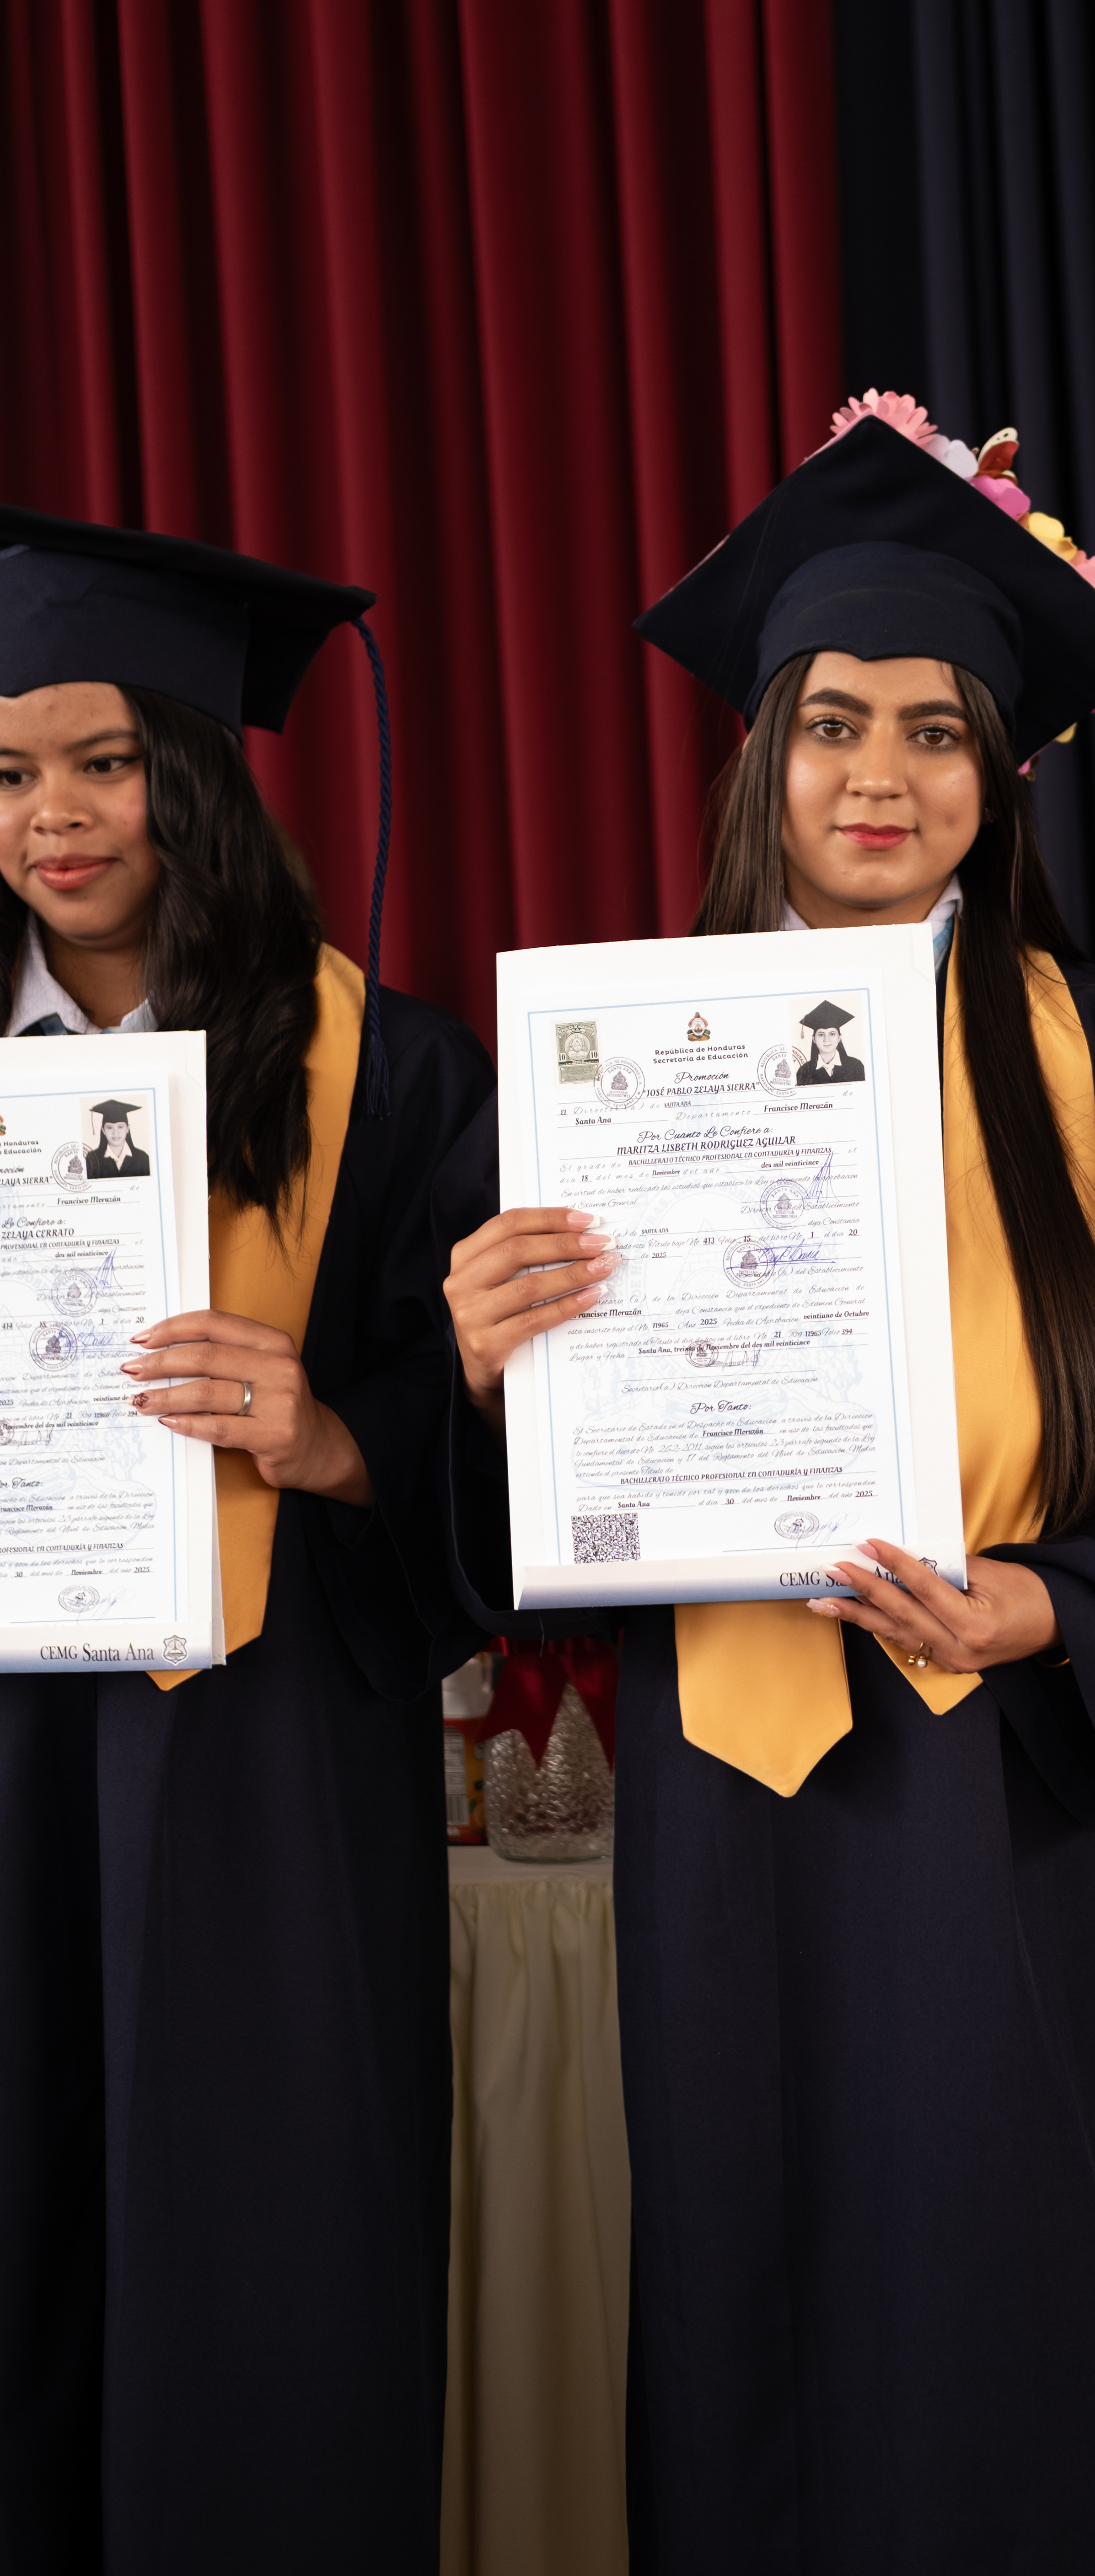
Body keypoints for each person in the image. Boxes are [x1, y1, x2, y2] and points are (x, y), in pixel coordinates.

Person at [440, 399, 1095, 2571]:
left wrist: (1057, 1606)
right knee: (761, 2335)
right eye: (832, 726)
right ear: (763, 758)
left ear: (1000, 774)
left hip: (1028, 1790)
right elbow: (516, 1518)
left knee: (1029, 2320)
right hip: (741, 1795)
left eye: (936, 731)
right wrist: (487, 1367)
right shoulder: (614, 1073)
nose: (880, 776)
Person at [0, 508, 494, 2574]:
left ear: (193, 767)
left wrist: (341, 1437)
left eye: (103, 761)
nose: (52, 817)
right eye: (6, 772)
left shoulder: (391, 1069)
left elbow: (499, 1417)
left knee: (275, 2257)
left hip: (274, 1744)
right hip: (6, 1745)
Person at [794, 998, 866, 1082]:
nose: (827, 1040)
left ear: (839, 1038)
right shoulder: (804, 1072)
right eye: (821, 1035)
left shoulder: (856, 1067)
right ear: (814, 1039)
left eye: (832, 1034)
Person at [83, 1095, 149, 1175]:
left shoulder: (142, 1158)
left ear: (127, 1129)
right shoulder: (92, 1160)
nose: (116, 1132)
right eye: (110, 1128)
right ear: (103, 1130)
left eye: (120, 1127)